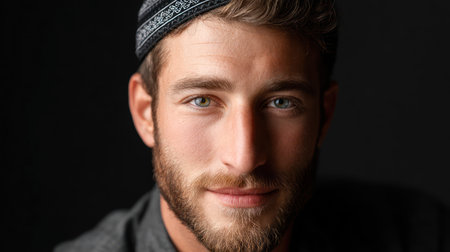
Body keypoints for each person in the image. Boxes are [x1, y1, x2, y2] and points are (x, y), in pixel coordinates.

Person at [55, 0, 449, 251]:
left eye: (281, 103)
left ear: (324, 115)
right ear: (146, 112)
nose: (245, 159)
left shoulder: (417, 235)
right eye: (202, 100)